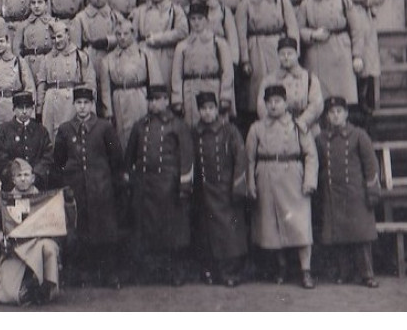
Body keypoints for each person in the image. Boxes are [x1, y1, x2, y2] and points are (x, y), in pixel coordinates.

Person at [245, 83, 318, 287]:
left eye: (278, 102)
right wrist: (251, 182)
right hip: (267, 177)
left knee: (300, 225)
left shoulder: (298, 126)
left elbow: (311, 154)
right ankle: (282, 268)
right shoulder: (257, 128)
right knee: (272, 227)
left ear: (286, 103)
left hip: (293, 177)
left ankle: (306, 271)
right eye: (269, 103)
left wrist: (309, 181)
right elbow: (249, 158)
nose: (274, 106)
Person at [51, 85, 123, 289]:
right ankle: (82, 274)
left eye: (86, 103)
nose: (82, 107)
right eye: (78, 103)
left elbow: (115, 158)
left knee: (105, 232)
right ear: (74, 105)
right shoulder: (65, 129)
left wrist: (110, 183)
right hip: (77, 190)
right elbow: (58, 161)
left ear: (92, 105)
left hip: (101, 189)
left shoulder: (104, 128)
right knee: (79, 233)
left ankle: (110, 275)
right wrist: (65, 185)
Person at [124, 84, 195, 285]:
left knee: (172, 233)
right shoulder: (140, 125)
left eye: (159, 99)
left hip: (169, 187)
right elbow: (130, 157)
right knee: (146, 232)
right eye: (151, 100)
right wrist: (130, 179)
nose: (154, 104)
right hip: (145, 187)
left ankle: (175, 273)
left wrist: (184, 185)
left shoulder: (178, 125)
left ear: (166, 101)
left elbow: (187, 158)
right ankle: (151, 273)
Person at [312, 94, 381, 287]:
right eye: (331, 113)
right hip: (334, 194)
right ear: (326, 116)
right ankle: (345, 273)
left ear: (346, 114)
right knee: (339, 236)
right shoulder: (321, 139)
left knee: (361, 236)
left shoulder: (359, 135)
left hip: (356, 194)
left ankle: (367, 274)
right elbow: (317, 165)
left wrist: (372, 190)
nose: (335, 116)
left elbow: (371, 165)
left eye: (339, 112)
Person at [0, 157, 62, 306]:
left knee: (49, 246)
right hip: (15, 251)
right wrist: (0, 240)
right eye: (19, 176)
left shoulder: (42, 200)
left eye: (26, 175)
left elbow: (56, 224)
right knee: (7, 297)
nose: (23, 179)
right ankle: (28, 287)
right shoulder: (4, 200)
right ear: (13, 179)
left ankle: (45, 286)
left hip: (38, 248)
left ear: (33, 178)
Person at [190, 92, 249, 287]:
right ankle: (211, 271)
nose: (207, 113)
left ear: (216, 110)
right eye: (203, 109)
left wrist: (238, 185)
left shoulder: (229, 130)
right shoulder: (195, 132)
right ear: (198, 111)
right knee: (207, 233)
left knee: (229, 233)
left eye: (210, 108)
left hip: (226, 188)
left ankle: (230, 271)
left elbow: (241, 157)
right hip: (205, 190)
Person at [296, 0, 364, 104]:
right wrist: (313, 35)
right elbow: (298, 30)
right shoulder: (306, 3)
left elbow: (357, 29)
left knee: (342, 95)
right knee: (318, 95)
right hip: (316, 51)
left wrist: (357, 55)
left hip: (340, 49)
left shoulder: (344, 1)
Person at [172, 1, 236, 124]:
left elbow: (227, 72)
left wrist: (225, 96)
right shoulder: (182, 46)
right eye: (193, 19)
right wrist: (177, 99)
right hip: (190, 90)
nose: (196, 22)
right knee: (193, 126)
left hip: (213, 86)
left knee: (216, 125)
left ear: (206, 20)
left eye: (200, 18)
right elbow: (176, 75)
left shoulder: (219, 43)